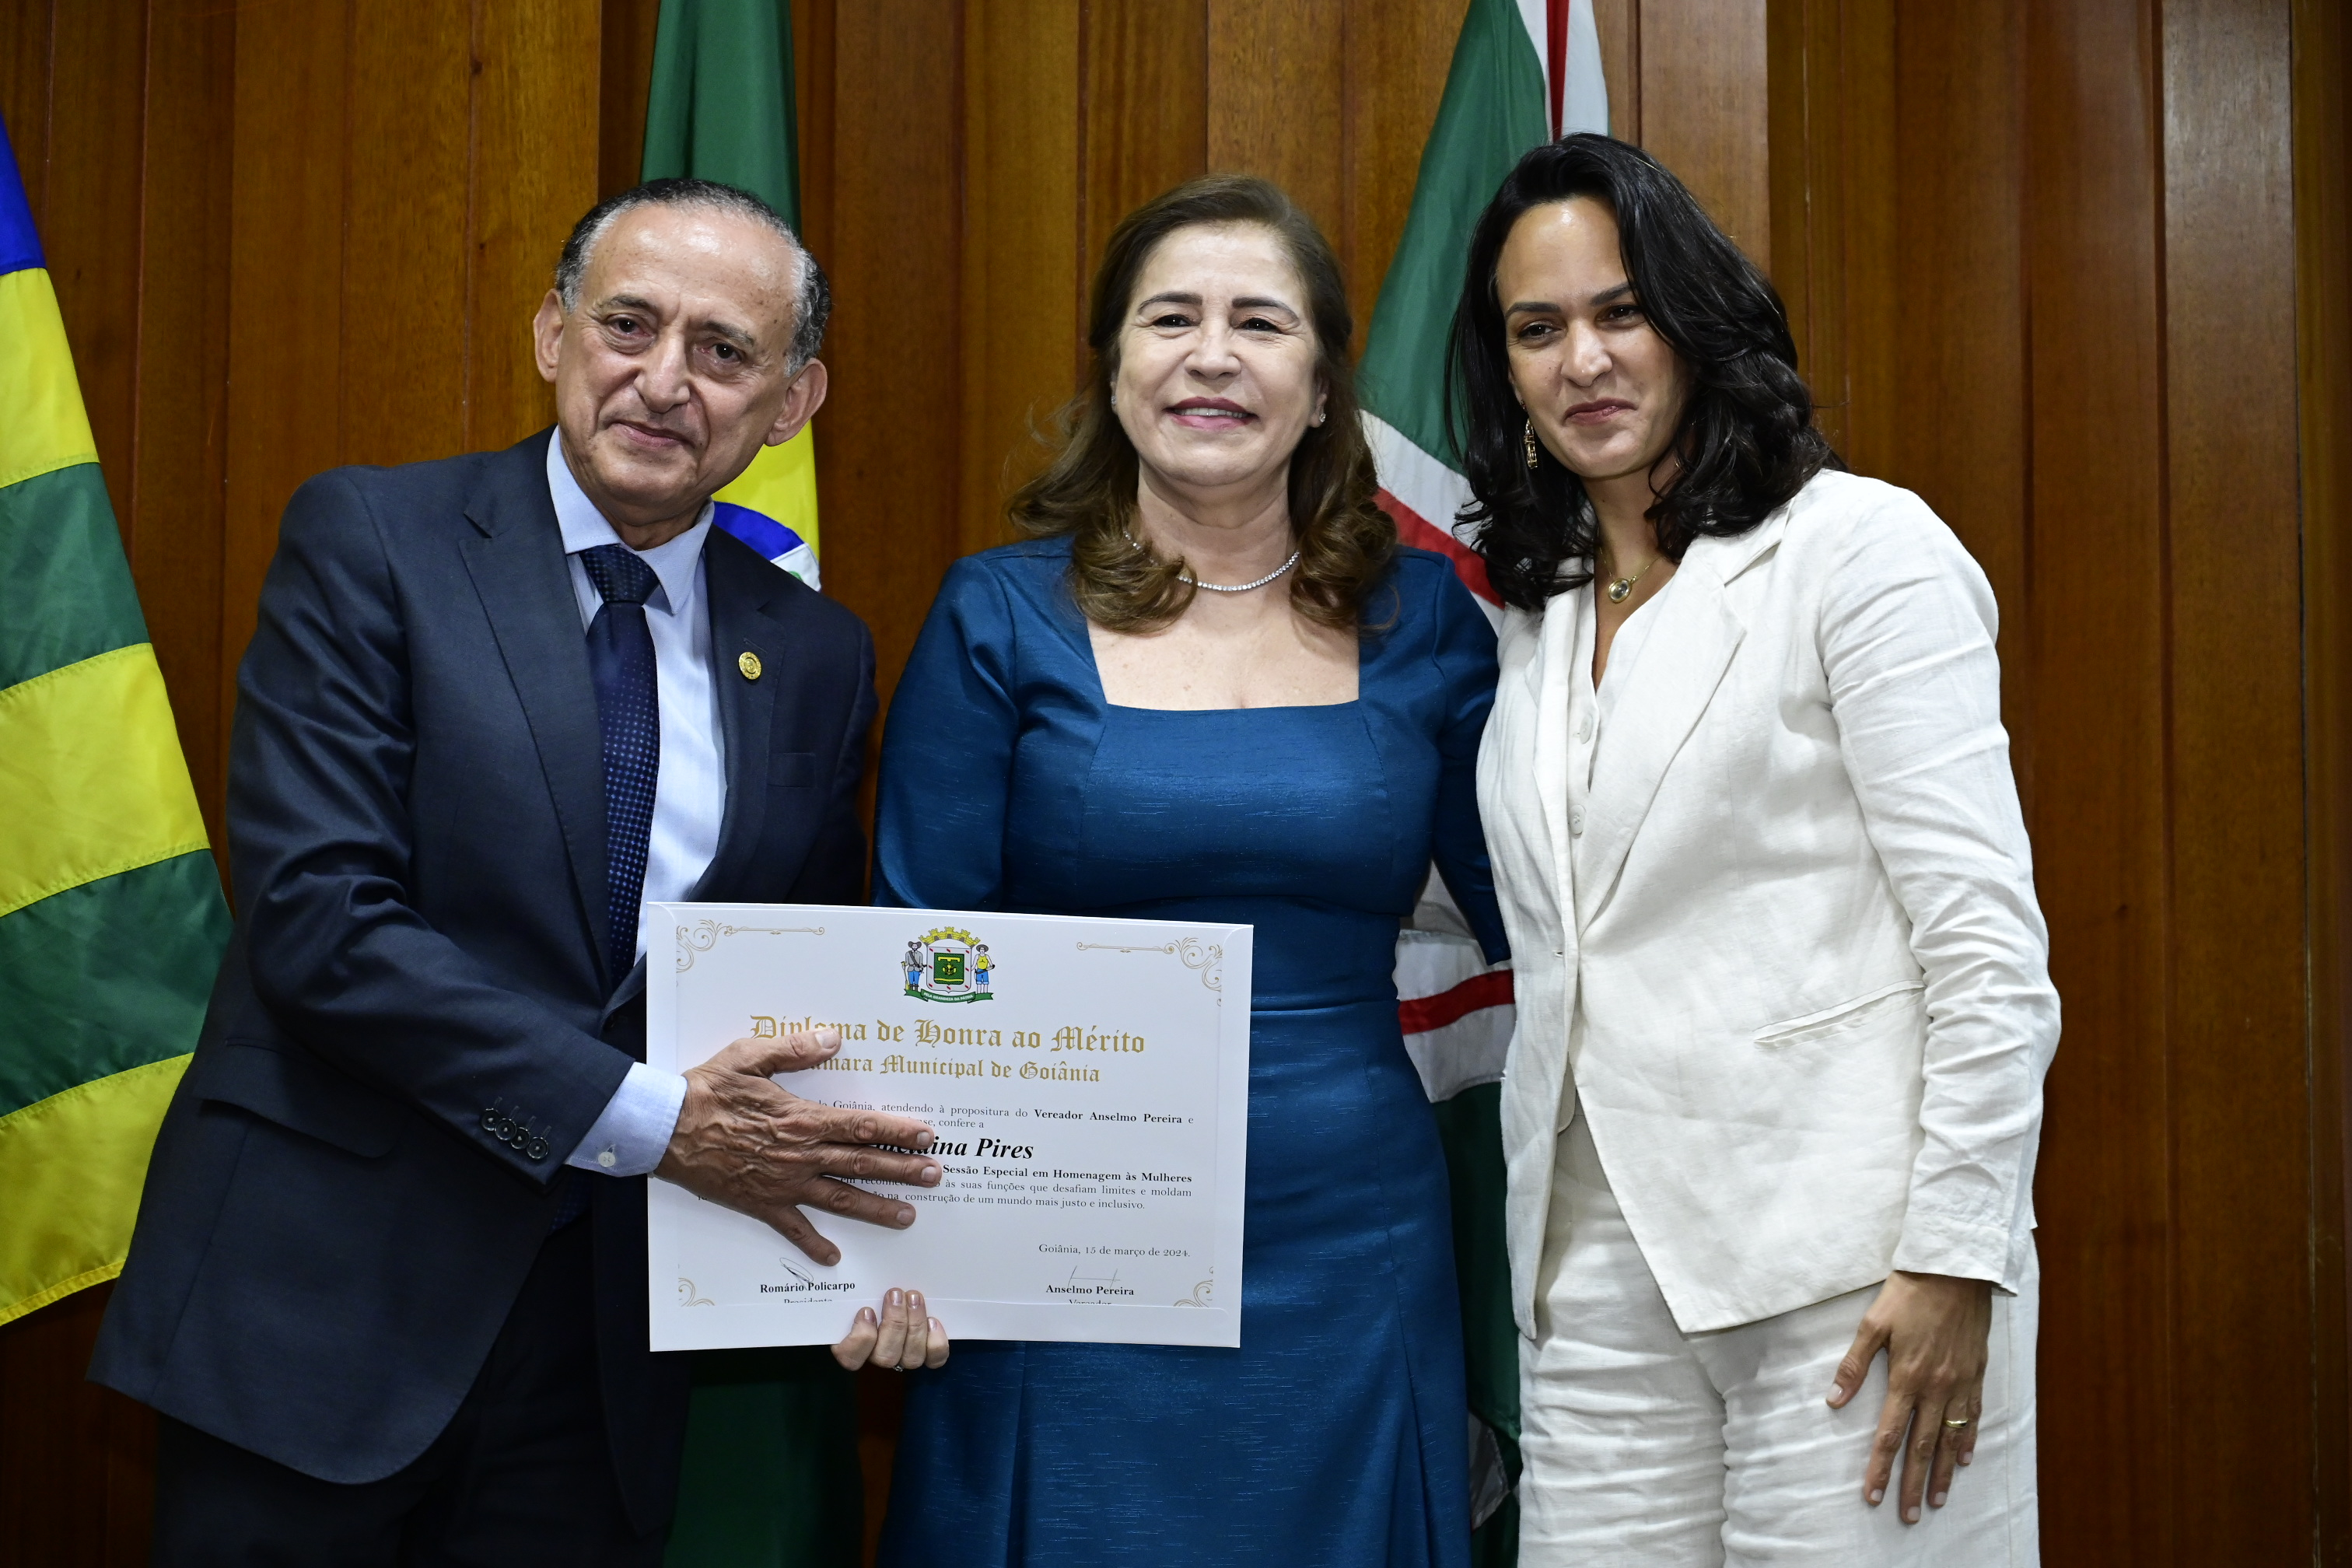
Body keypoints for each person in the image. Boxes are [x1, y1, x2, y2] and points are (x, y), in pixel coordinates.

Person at [90, 177, 947, 1567]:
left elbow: (801, 1001)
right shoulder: (374, 540)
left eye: (724, 350)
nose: (664, 380)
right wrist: (653, 1119)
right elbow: (321, 923)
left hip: (600, 1357)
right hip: (323, 1309)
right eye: (628, 324)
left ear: (792, 402)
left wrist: (889, 1255)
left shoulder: (815, 652)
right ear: (554, 333)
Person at [868, 175, 1507, 1567]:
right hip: (1054, 1235)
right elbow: (920, 957)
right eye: (1170, 319)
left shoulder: (1427, 624)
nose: (1211, 355)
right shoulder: (996, 614)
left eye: (1260, 323)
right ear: (1114, 369)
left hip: (1348, 1240)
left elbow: (1542, 905)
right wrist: (896, 1244)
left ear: (1324, 388)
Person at [1458, 134, 2056, 1564]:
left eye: (1621, 311)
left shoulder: (1860, 549)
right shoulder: (1537, 617)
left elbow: (1985, 945)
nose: (1583, 361)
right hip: (1592, 1276)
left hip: (1852, 1268)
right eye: (1538, 329)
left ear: (1696, 318)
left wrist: (1957, 1253)